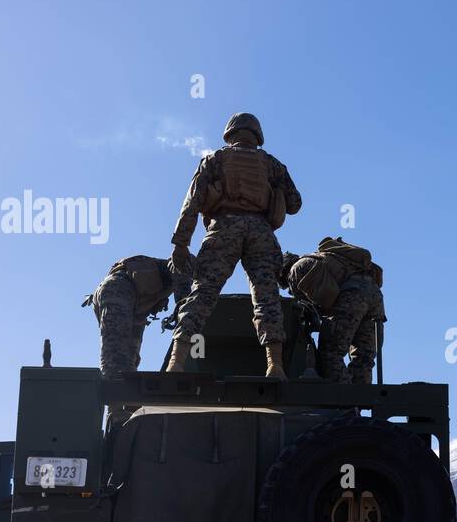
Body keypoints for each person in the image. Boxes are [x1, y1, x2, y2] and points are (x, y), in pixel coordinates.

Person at [165, 112, 301, 378]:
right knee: (266, 297)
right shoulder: (273, 165)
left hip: (223, 228)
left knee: (202, 293)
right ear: (257, 136)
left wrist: (181, 243)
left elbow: (192, 202)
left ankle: (176, 363)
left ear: (230, 134)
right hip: (261, 232)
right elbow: (295, 204)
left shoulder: (215, 160)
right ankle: (275, 366)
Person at [282, 237, 384, 384]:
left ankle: (344, 400)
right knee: (363, 356)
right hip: (375, 297)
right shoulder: (324, 259)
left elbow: (320, 304)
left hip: (351, 297)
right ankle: (358, 401)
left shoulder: (296, 269)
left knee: (330, 352)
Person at [82, 255, 192, 377]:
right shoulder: (181, 263)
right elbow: (185, 299)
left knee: (130, 357)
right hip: (119, 290)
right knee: (115, 356)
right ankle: (114, 385)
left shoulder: (163, 279)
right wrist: (183, 310)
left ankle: (126, 386)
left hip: (134, 305)